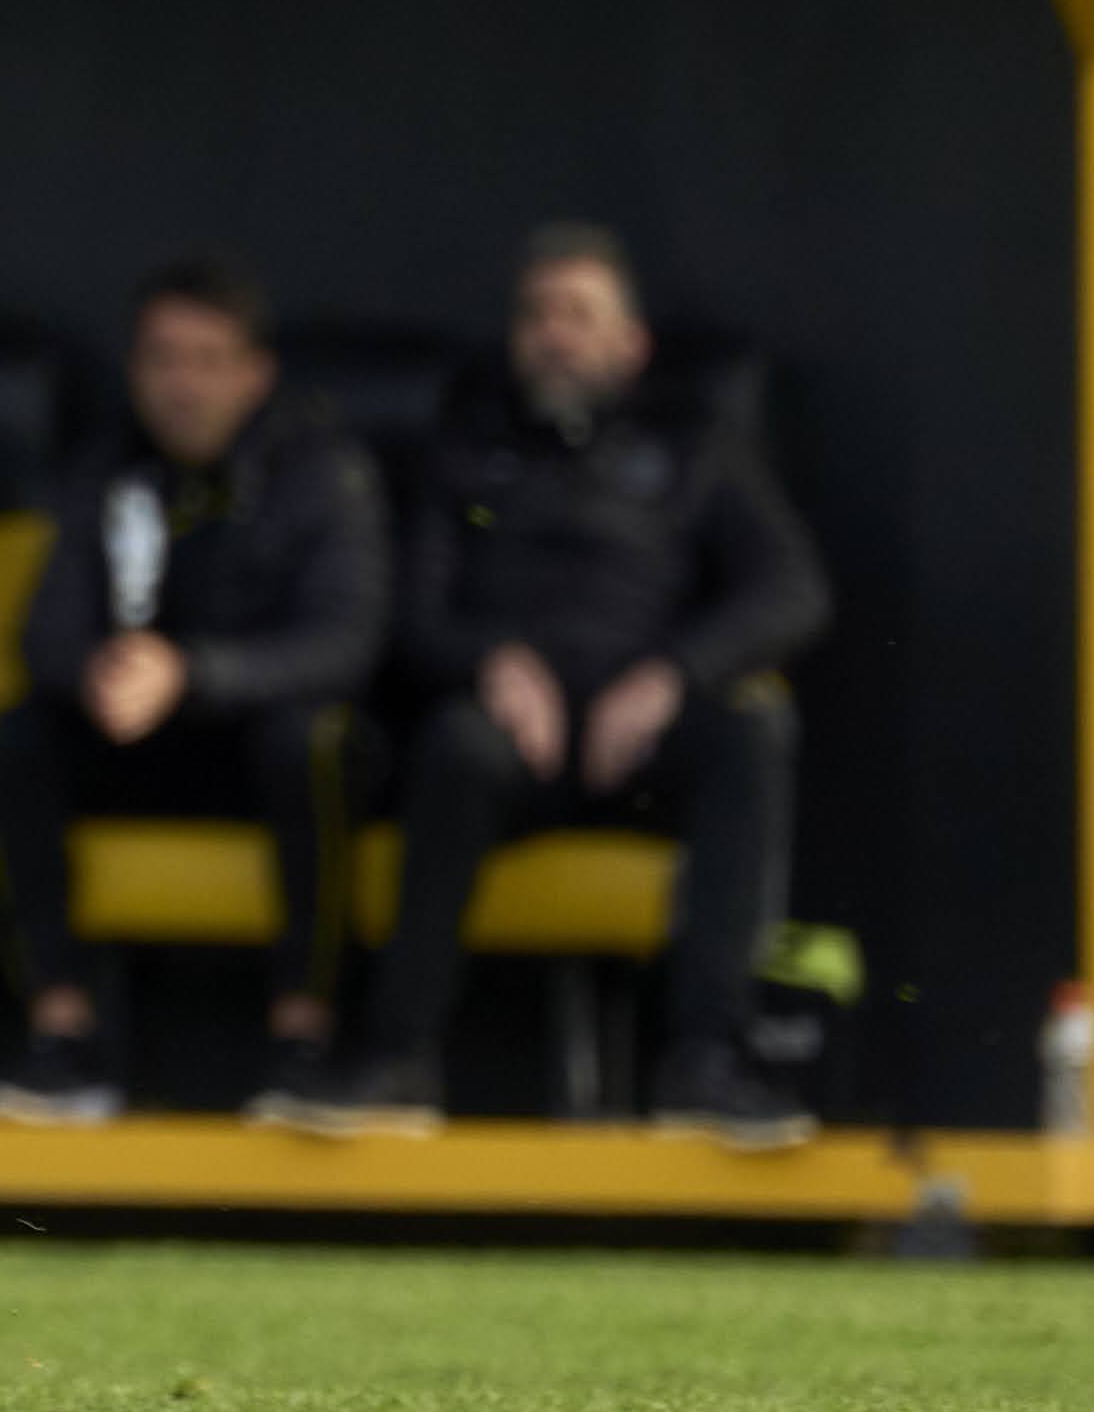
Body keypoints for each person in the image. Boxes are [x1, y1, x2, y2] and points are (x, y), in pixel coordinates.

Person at [270, 225, 830, 1148]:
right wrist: (489, 660)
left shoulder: (692, 446)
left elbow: (793, 588)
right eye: (535, 315)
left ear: (629, 343)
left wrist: (671, 673)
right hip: (510, 747)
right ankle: (398, 1056)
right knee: (455, 742)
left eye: (577, 314)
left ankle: (705, 1060)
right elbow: (408, 615)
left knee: (750, 729)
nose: (553, 334)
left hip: (640, 744)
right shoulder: (464, 447)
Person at [0, 258, 390, 1127]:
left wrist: (193, 672)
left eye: (207, 360)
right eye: (163, 359)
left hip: (257, 744)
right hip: (142, 740)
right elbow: (42, 632)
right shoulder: (108, 469)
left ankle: (302, 1040)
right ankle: (63, 1037)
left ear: (254, 373)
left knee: (311, 741)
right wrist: (99, 670)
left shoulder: (320, 472)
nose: (182, 385)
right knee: (19, 732)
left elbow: (343, 645)